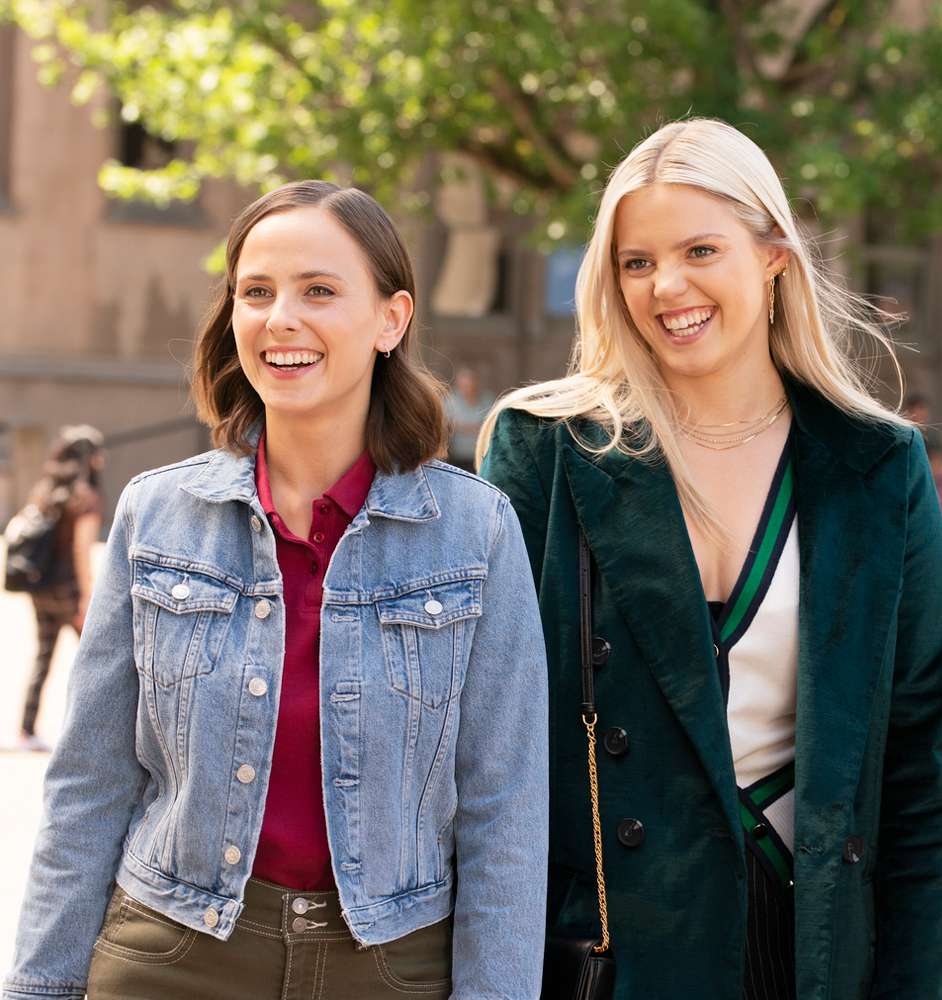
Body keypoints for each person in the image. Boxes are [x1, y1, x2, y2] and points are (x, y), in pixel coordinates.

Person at [4, 181, 548, 1000]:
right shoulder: (156, 515)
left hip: (393, 969)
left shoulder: (477, 533)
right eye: (255, 292)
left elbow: (504, 815)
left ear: (391, 320)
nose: (279, 319)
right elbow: (90, 785)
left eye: (319, 291)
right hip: (169, 959)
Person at [480, 118, 942, 999]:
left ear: (774, 255)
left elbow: (923, 780)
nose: (667, 287)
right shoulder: (545, 447)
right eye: (637, 262)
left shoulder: (876, 466)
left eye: (700, 250)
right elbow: (487, 750)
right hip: (607, 954)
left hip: (809, 946)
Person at [12, 425, 104, 752]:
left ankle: (26, 730)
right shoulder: (86, 498)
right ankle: (90, 736)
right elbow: (82, 550)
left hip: (42, 589)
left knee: (44, 657)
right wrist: (87, 596)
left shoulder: (45, 490)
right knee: (98, 663)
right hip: (69, 592)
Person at [444, 365, 491, 470]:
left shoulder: (487, 399)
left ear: (476, 382)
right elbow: (447, 426)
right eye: (463, 384)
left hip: (481, 455)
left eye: (470, 382)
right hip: (456, 455)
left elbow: (490, 425)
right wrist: (475, 427)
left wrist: (462, 427)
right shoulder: (451, 401)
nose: (467, 387)